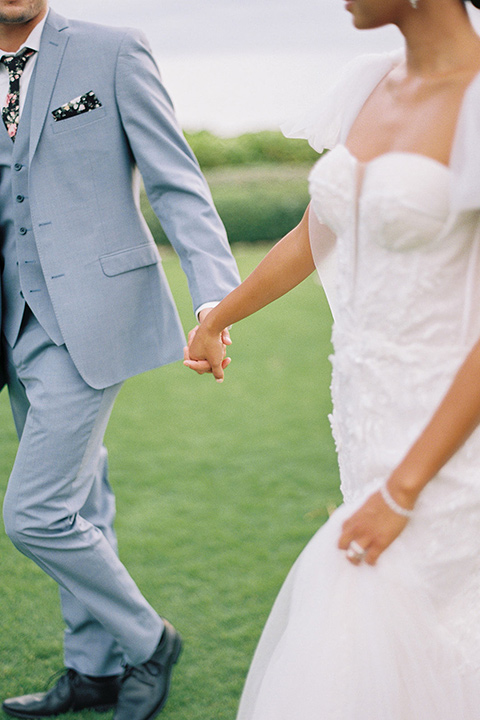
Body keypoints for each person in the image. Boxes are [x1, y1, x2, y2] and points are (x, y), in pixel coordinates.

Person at [185, 0, 480, 716]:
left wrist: (402, 491)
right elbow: (317, 232)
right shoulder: (369, 82)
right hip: (366, 418)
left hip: (447, 438)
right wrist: (218, 315)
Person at [0, 2, 239, 720]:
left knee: (36, 513)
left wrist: (215, 305)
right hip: (12, 322)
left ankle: (149, 641)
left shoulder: (112, 51)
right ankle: (92, 670)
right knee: (81, 501)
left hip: (90, 318)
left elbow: (177, 183)